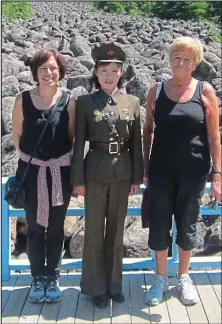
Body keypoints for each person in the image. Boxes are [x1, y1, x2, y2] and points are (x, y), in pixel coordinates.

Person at [143, 36, 221, 306]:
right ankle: (160, 278)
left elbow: (213, 137)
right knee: (160, 226)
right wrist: (144, 167)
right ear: (170, 59)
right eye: (177, 57)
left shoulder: (205, 91)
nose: (181, 62)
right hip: (161, 172)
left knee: (187, 226)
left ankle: (183, 277)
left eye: (187, 59)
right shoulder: (156, 90)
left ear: (195, 62)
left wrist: (217, 176)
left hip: (194, 172)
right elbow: (147, 131)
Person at [70, 41, 143, 308]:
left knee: (115, 233)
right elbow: (79, 145)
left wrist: (137, 177)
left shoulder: (132, 102)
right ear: (96, 72)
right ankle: (95, 287)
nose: (109, 75)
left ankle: (114, 286)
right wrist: (77, 180)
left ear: (122, 72)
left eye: (115, 69)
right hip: (95, 173)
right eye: (104, 69)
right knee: (93, 232)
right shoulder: (85, 102)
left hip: (123, 173)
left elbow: (137, 144)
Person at [12, 48, 76, 303]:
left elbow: (71, 138)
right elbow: (17, 137)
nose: (48, 73)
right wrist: (35, 161)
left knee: (57, 227)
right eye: (43, 69)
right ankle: (38, 277)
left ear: (60, 71)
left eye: (53, 68)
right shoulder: (22, 100)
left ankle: (54, 276)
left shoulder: (69, 100)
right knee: (36, 227)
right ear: (35, 73)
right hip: (31, 173)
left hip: (61, 172)